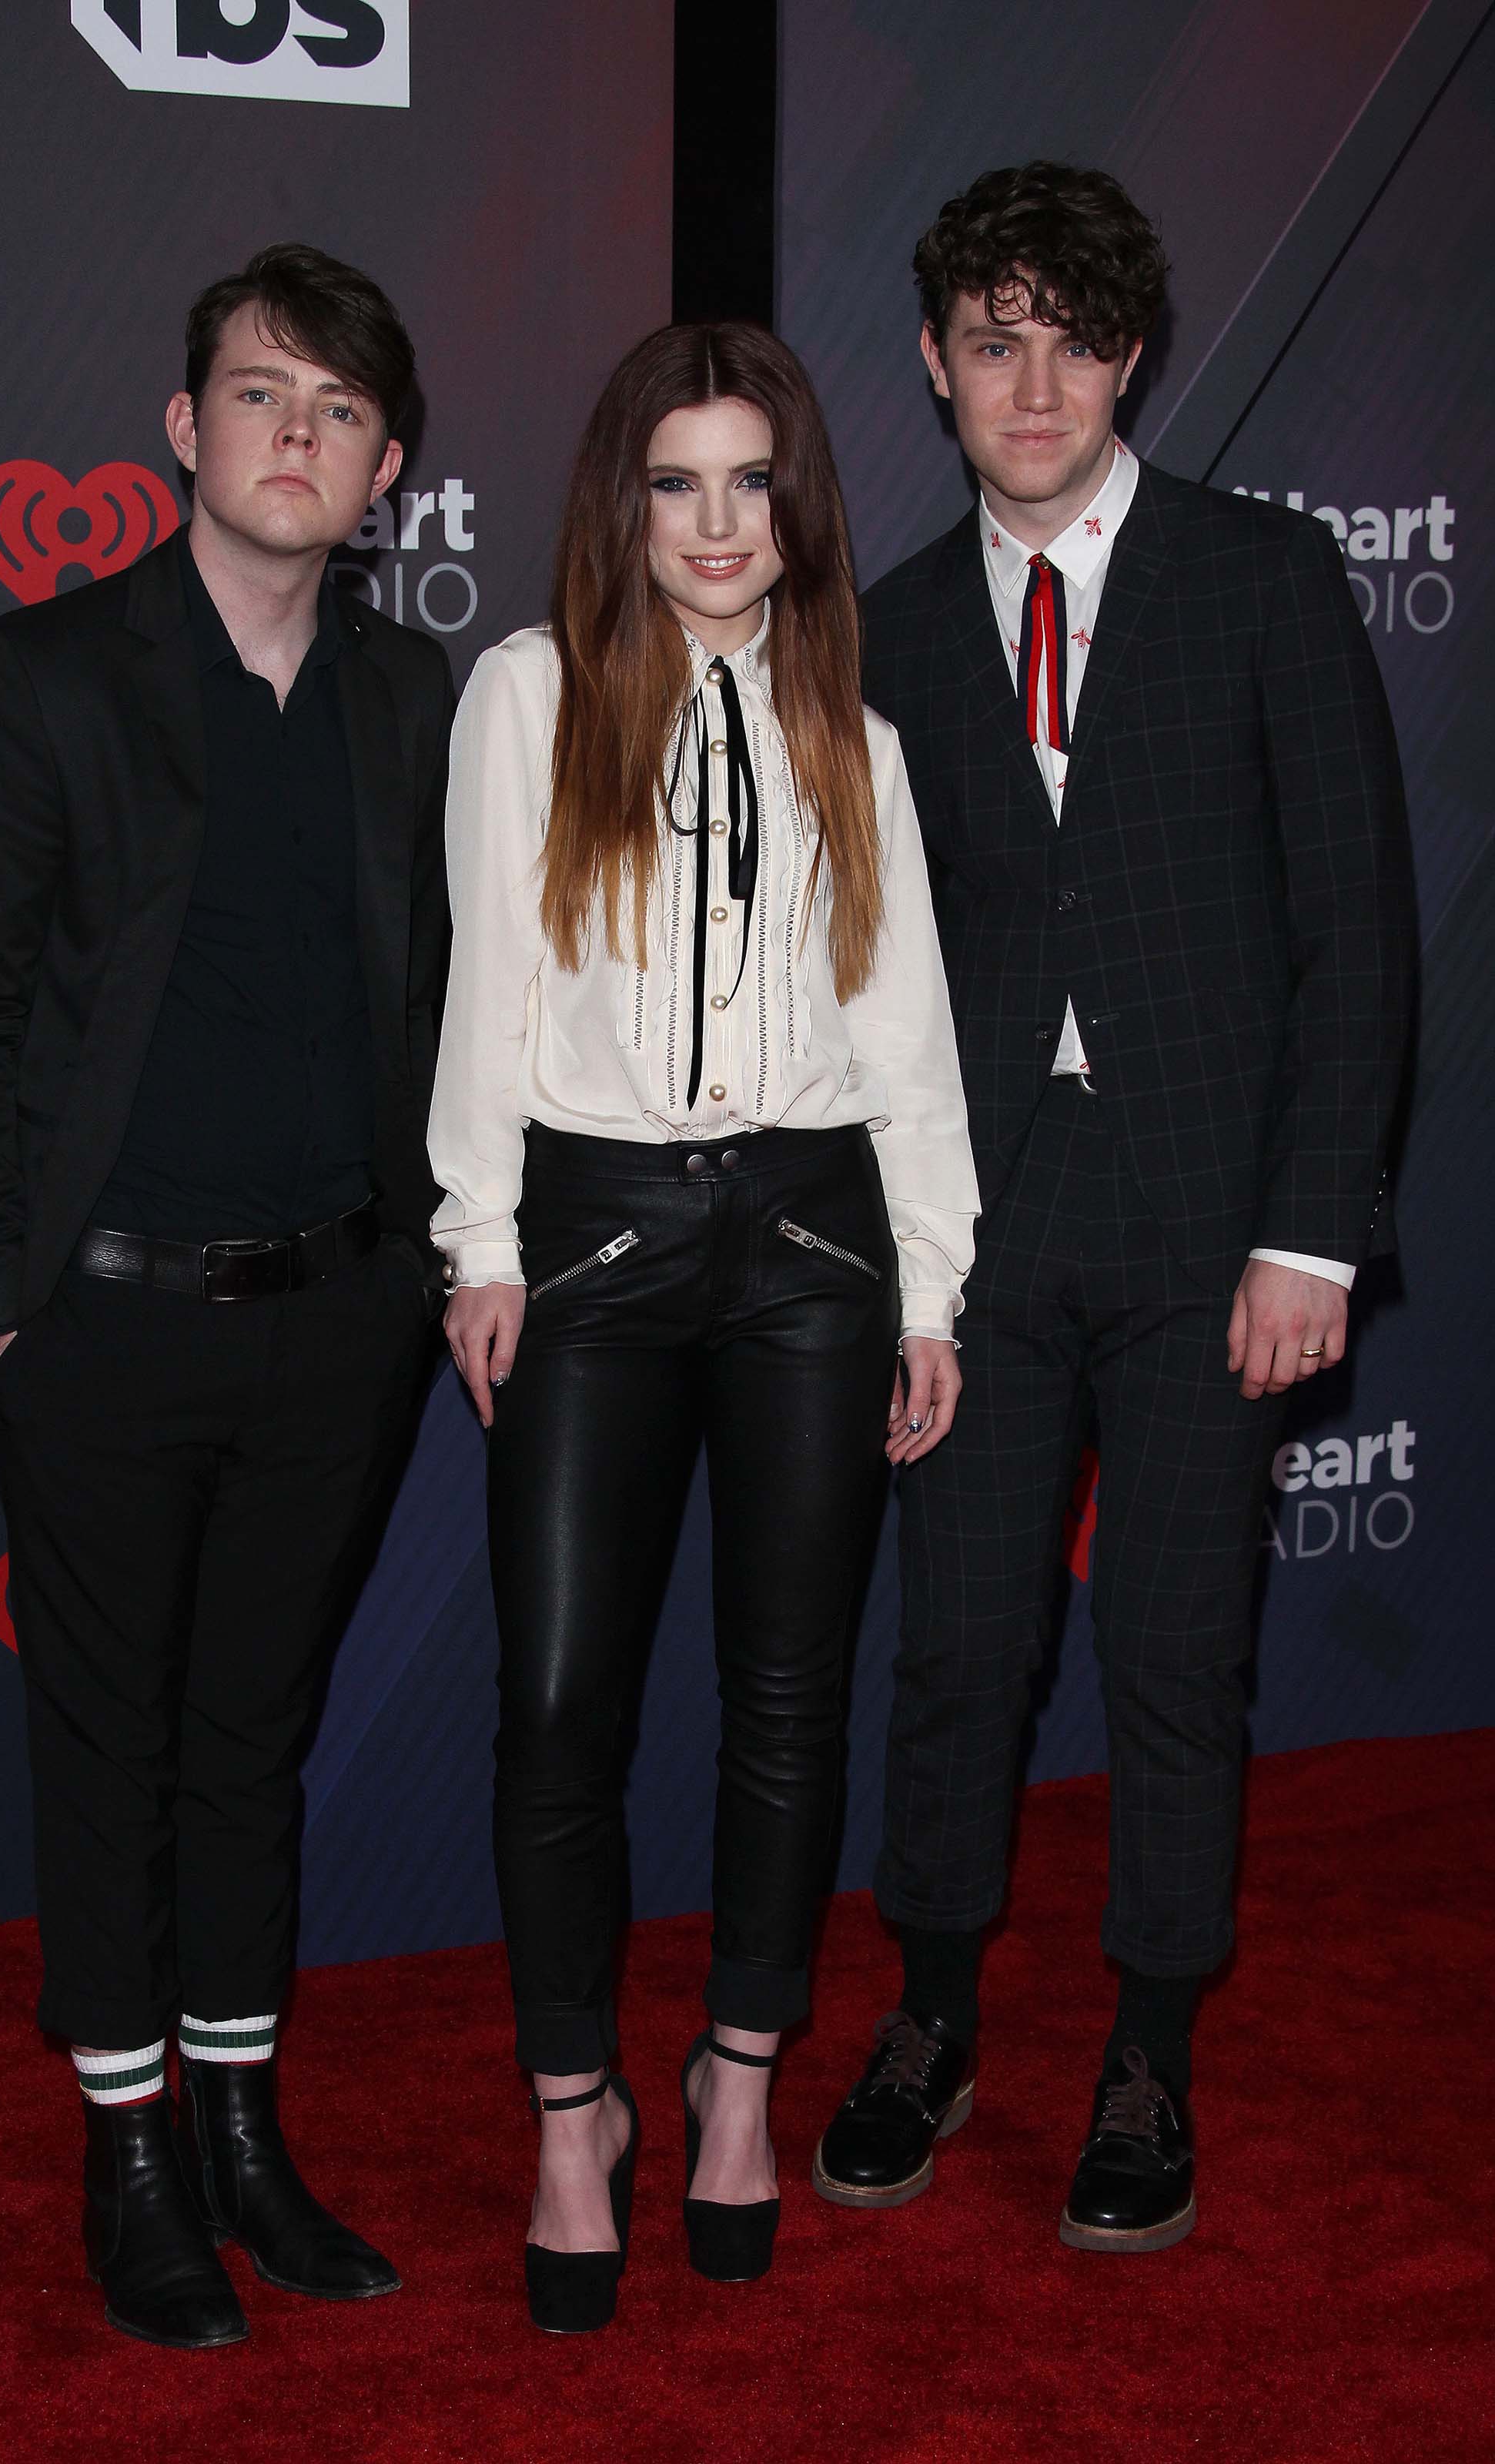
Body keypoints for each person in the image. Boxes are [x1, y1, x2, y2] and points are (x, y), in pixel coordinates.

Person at [813, 162, 1416, 2250]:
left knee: (1177, 1655)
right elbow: (859, 977)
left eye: (1073, 339)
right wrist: (891, 1262)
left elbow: (1358, 930)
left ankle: (1150, 2044)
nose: (1035, 381)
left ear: (1131, 356)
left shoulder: (1262, 580)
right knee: (959, 1653)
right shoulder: (880, 629)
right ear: (935, 365)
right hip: (978, 1232)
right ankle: (936, 2015)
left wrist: (1312, 1234)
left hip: (1211, 1230)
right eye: (996, 341)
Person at [0, 244, 453, 2348]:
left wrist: (423, 1279)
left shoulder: (421, 701)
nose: (293, 436)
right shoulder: (42, 677)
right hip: (102, 1325)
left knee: (252, 1743)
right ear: (182, 430)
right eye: (258, 394)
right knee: (106, 1746)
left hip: (339, 1322)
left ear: (386, 464)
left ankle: (240, 2126)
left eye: (335, 411)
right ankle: (126, 2149)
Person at [428, 321, 978, 2332]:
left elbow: (905, 1026)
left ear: (798, 502)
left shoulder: (861, 732)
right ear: (622, 498)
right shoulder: (527, 696)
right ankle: (575, 2114)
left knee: (787, 1700)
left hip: (819, 1247)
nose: (719, 525)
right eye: (679, 482)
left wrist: (930, 1280)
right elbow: (487, 984)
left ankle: (734, 2081)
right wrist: (479, 1241)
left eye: (754, 482)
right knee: (561, 1703)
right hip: (594, 1235)